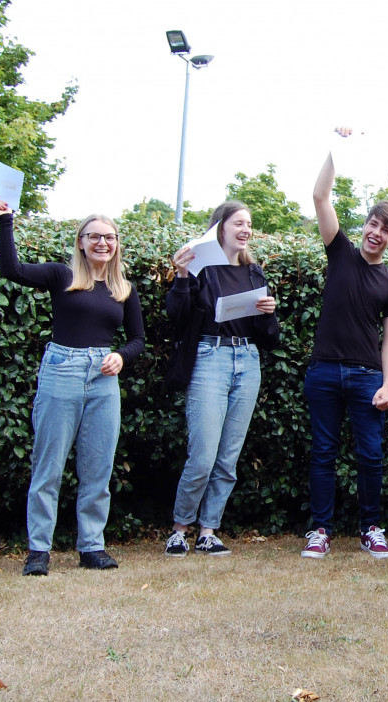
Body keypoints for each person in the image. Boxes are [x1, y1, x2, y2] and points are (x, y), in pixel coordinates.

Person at [0, 196, 145, 575]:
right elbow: (10, 269)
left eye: (109, 237)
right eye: (94, 236)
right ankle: (38, 551)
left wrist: (122, 356)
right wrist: (6, 221)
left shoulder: (123, 289)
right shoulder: (62, 276)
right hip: (62, 371)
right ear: (81, 241)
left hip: (103, 379)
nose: (102, 243)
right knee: (49, 465)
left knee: (97, 468)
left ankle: (92, 547)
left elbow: (138, 339)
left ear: (116, 243)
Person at [301, 135, 388, 559]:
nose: (376, 233)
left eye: (386, 230)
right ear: (365, 224)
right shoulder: (339, 253)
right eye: (373, 224)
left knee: (370, 455)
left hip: (366, 379)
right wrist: (334, 148)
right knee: (323, 452)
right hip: (324, 371)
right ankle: (320, 530)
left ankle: (370, 528)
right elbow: (320, 195)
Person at [163, 201, 279, 557]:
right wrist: (182, 278)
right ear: (220, 227)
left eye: (249, 225)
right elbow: (177, 319)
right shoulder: (200, 267)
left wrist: (268, 314)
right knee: (202, 455)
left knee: (228, 457)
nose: (245, 230)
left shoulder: (254, 273)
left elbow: (271, 338)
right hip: (209, 359)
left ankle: (209, 530)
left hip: (247, 359)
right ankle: (180, 529)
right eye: (238, 223)